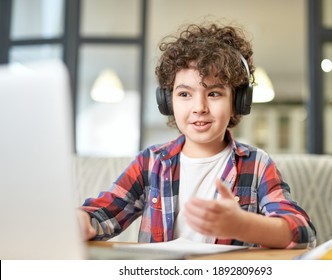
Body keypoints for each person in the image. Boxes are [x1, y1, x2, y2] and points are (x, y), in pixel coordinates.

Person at [78, 22, 316, 249]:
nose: (199, 107)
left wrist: (243, 225)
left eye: (214, 93)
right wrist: (82, 222)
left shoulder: (257, 165)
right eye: (184, 94)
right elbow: (101, 215)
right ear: (167, 102)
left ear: (238, 102)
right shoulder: (150, 162)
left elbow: (303, 232)